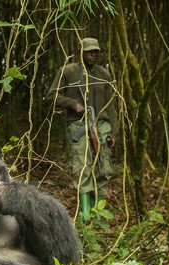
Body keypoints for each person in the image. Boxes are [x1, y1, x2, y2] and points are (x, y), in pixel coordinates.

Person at [46, 37, 119, 220]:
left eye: (95, 52)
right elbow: (51, 96)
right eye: (89, 52)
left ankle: (97, 213)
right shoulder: (68, 71)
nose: (93, 55)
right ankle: (84, 213)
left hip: (102, 124)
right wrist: (72, 104)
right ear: (81, 52)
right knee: (82, 166)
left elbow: (111, 106)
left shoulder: (104, 75)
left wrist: (114, 131)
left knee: (103, 167)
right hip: (77, 124)